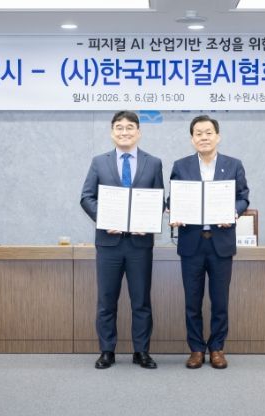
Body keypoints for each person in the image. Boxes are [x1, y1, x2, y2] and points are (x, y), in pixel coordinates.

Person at [80, 110, 164, 369]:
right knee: (107, 301)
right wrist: (105, 219)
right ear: (112, 132)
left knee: (141, 302)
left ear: (138, 132)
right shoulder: (99, 162)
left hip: (140, 245)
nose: (124, 132)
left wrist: (148, 222)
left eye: (129, 127)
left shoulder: (153, 163)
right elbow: (86, 197)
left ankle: (142, 352)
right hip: (109, 244)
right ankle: (107, 351)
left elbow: (158, 198)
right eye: (119, 127)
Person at [169, 115, 249, 369]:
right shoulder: (181, 166)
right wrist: (174, 213)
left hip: (220, 244)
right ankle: (196, 349)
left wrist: (233, 212)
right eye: (198, 133)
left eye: (208, 132)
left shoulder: (233, 165)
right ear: (192, 139)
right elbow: (173, 199)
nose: (203, 137)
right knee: (192, 301)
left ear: (218, 136)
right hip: (191, 243)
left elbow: (243, 197)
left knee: (220, 301)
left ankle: (217, 348)